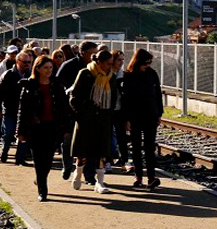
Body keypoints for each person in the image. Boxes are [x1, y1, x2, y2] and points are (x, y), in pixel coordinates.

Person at [17, 55, 70, 202]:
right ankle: (43, 190)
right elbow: (23, 110)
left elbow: (64, 108)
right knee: (39, 159)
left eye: (51, 68)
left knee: (48, 159)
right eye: (45, 68)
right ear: (38, 68)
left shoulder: (57, 84)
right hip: (36, 127)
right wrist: (20, 132)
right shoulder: (29, 85)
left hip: (53, 126)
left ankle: (40, 178)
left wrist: (66, 128)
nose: (49, 70)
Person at [69, 49, 117, 194]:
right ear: (99, 62)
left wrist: (109, 114)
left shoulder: (111, 77)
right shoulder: (85, 73)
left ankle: (100, 182)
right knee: (82, 151)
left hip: (103, 119)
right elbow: (74, 97)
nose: (110, 66)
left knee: (102, 151)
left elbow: (113, 98)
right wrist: (82, 113)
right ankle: (78, 174)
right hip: (85, 119)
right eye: (108, 64)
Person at [55, 41, 98, 180]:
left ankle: (89, 174)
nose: (94, 57)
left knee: (90, 143)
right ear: (82, 53)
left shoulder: (96, 68)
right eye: (92, 54)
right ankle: (67, 166)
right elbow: (57, 85)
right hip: (70, 110)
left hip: (90, 111)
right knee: (68, 142)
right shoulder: (68, 66)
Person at [123, 48, 163, 190]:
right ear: (138, 61)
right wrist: (126, 119)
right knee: (136, 147)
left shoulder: (152, 74)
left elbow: (158, 94)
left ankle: (151, 178)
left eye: (150, 63)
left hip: (150, 115)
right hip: (135, 116)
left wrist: (159, 114)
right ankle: (138, 177)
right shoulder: (128, 75)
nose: (148, 65)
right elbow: (126, 98)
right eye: (146, 63)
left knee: (149, 147)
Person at [0, 49, 33, 164]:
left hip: (24, 111)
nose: (27, 64)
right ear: (17, 61)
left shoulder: (30, 75)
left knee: (23, 135)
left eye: (29, 62)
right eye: (24, 62)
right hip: (10, 110)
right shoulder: (8, 75)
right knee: (8, 134)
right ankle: (4, 152)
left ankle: (20, 158)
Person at [109, 50, 129, 169]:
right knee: (108, 134)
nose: (121, 62)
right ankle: (108, 157)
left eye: (122, 60)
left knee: (121, 135)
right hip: (108, 109)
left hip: (120, 109)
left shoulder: (124, 75)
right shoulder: (107, 74)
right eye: (118, 59)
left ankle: (124, 158)